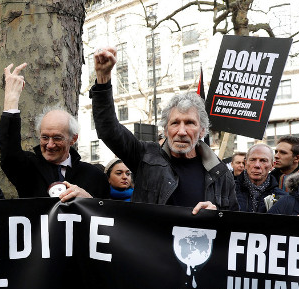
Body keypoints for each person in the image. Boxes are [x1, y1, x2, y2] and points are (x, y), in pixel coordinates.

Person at [91, 46, 238, 213]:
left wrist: (217, 213)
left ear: (202, 131)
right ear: (166, 130)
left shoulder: (221, 173)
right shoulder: (144, 156)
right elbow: (109, 130)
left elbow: (233, 224)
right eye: (175, 123)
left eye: (190, 123)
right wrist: (103, 79)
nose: (181, 131)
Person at [0, 63, 110, 202]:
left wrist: (89, 201)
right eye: (45, 137)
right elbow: (9, 151)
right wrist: (11, 98)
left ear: (73, 138)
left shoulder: (95, 176)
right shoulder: (28, 168)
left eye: (57, 138)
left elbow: (107, 216)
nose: (50, 145)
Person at [234, 144, 286, 213]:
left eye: (263, 161)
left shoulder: (282, 197)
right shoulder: (228, 191)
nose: (257, 165)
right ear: (246, 163)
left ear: (272, 165)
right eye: (252, 160)